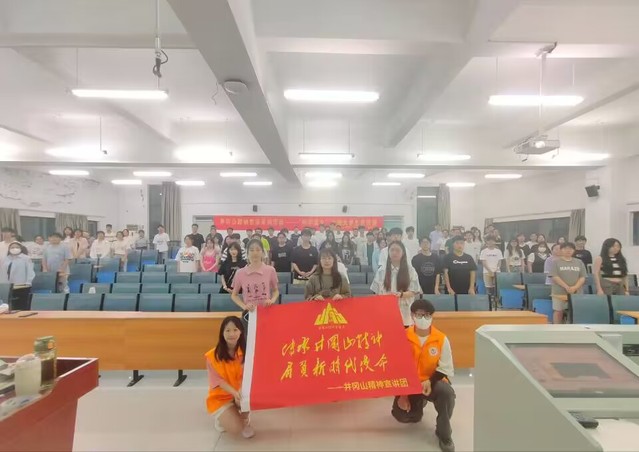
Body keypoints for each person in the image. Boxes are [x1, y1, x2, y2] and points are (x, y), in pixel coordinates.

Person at [392, 299, 456, 452]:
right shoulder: (403, 336)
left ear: (432, 316)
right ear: (412, 316)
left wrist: (430, 381)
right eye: (419, 315)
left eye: (427, 315)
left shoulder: (441, 339)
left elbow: (445, 367)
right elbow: (398, 368)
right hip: (411, 385)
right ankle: (418, 403)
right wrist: (403, 395)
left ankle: (444, 434)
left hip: (433, 383)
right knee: (403, 416)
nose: (423, 318)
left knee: (446, 393)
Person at [204, 316, 254, 438]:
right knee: (235, 429)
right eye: (227, 330)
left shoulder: (247, 352)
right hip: (221, 397)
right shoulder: (212, 355)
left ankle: (244, 417)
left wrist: (241, 391)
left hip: (239, 393)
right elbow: (218, 381)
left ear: (241, 332)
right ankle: (222, 418)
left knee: (247, 397)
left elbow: (249, 375)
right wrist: (234, 393)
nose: (232, 334)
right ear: (222, 333)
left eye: (235, 330)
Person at [371, 241, 421, 326]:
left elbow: (414, 291)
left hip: (404, 313)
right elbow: (376, 292)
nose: (394, 253)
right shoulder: (381, 271)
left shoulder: (411, 270)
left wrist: (401, 295)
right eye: (392, 250)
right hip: (385, 313)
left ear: (403, 253)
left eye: (397, 250)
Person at [231, 239, 279, 312]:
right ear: (247, 253)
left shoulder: (271, 270)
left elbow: (275, 291)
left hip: (266, 311)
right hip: (249, 313)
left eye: (258, 250)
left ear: (263, 253)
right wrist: (244, 306)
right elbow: (234, 295)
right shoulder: (240, 273)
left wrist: (272, 300)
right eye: (251, 250)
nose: (255, 253)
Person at [550, 242, 587, 324]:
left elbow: (582, 277)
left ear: (574, 250)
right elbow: (554, 276)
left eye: (570, 248)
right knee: (558, 311)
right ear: (561, 250)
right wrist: (566, 287)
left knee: (575, 311)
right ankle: (556, 328)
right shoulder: (556, 262)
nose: (568, 250)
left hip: (576, 292)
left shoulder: (579, 262)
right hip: (559, 292)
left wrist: (575, 287)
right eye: (565, 248)